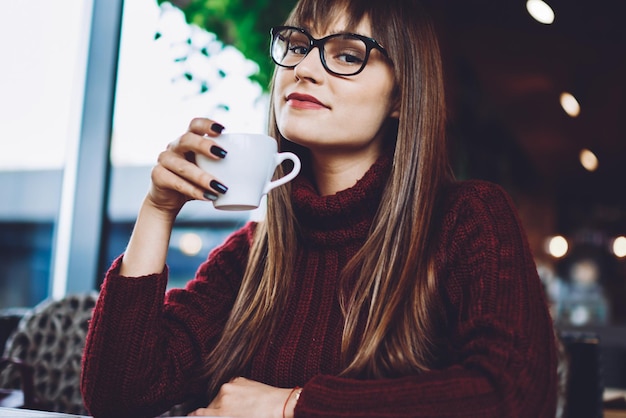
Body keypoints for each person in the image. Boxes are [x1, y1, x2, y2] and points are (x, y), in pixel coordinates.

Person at [80, 0, 559, 416]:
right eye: (296, 45)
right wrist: (158, 210)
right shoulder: (251, 258)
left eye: (347, 55)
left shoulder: (467, 219)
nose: (303, 68)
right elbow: (119, 397)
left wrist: (291, 406)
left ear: (400, 96)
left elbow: (514, 399)